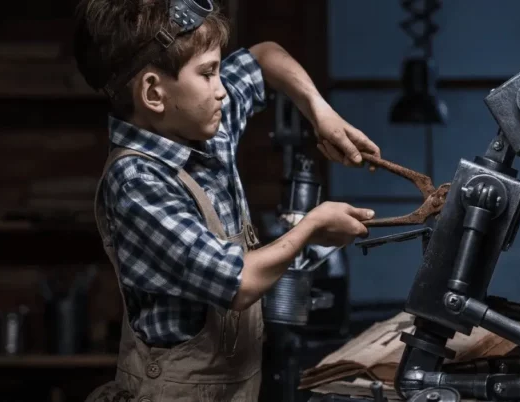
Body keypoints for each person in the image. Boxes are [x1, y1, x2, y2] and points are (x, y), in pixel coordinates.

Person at [73, 1, 381, 401]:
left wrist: (319, 111)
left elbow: (265, 56)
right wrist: (311, 229)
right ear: (153, 91)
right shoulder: (135, 181)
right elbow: (239, 282)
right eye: (207, 73)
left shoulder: (203, 130)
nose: (221, 89)